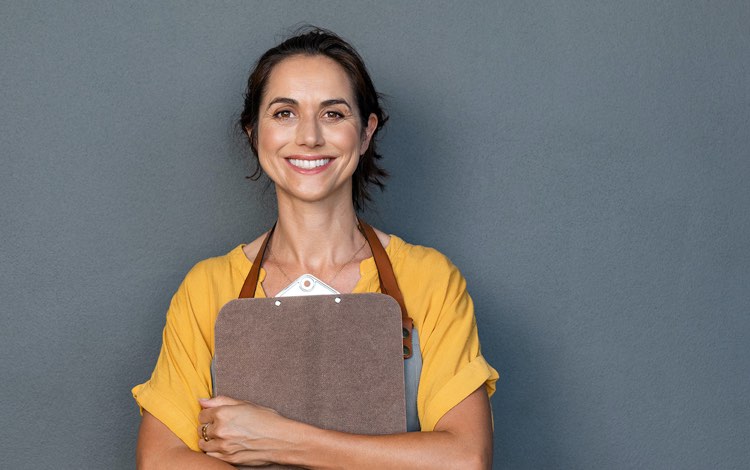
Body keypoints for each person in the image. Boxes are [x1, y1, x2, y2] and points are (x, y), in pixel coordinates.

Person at [133, 27, 498, 469]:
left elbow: (464, 460)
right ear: (254, 132)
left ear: (365, 133)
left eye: (333, 114)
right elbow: (160, 461)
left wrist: (282, 440)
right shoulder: (207, 288)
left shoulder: (429, 279)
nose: (309, 137)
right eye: (284, 113)